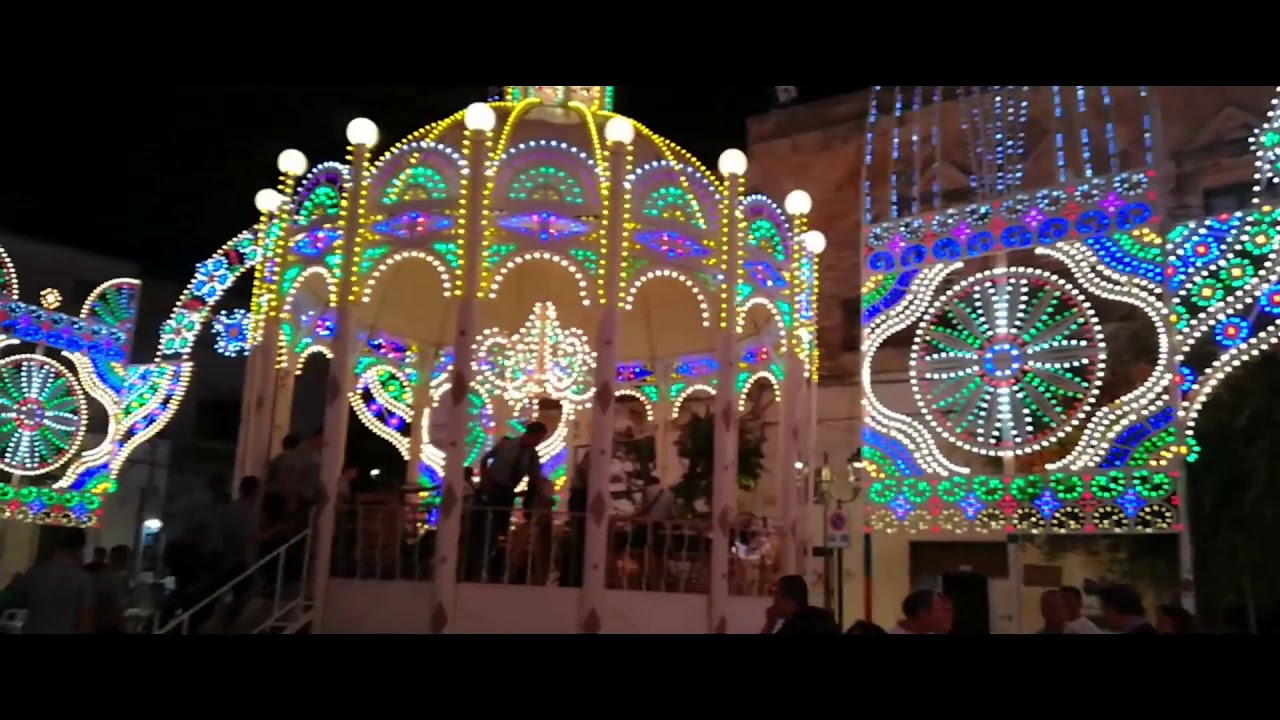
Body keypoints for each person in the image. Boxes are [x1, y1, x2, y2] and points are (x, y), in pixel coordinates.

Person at [477, 422, 548, 581]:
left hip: (507, 492)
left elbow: (534, 478)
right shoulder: (507, 444)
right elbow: (485, 459)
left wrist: (540, 494)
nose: (538, 442)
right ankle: (481, 559)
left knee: (500, 528)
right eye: (537, 438)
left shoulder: (532, 456)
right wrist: (484, 478)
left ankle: (494, 563)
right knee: (486, 524)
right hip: (492, 486)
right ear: (530, 434)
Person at [14, 527, 95, 634]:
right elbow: (85, 622)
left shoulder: (34, 573)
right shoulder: (83, 578)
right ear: (80, 547)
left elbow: (20, 603)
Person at [761, 575, 839, 635]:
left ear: (788, 599)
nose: (774, 599)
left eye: (777, 593)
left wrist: (769, 625)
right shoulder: (824, 617)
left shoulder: (794, 627)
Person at [93, 545, 132, 634]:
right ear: (124, 559)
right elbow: (116, 611)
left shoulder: (100, 575)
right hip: (108, 627)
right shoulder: (115, 580)